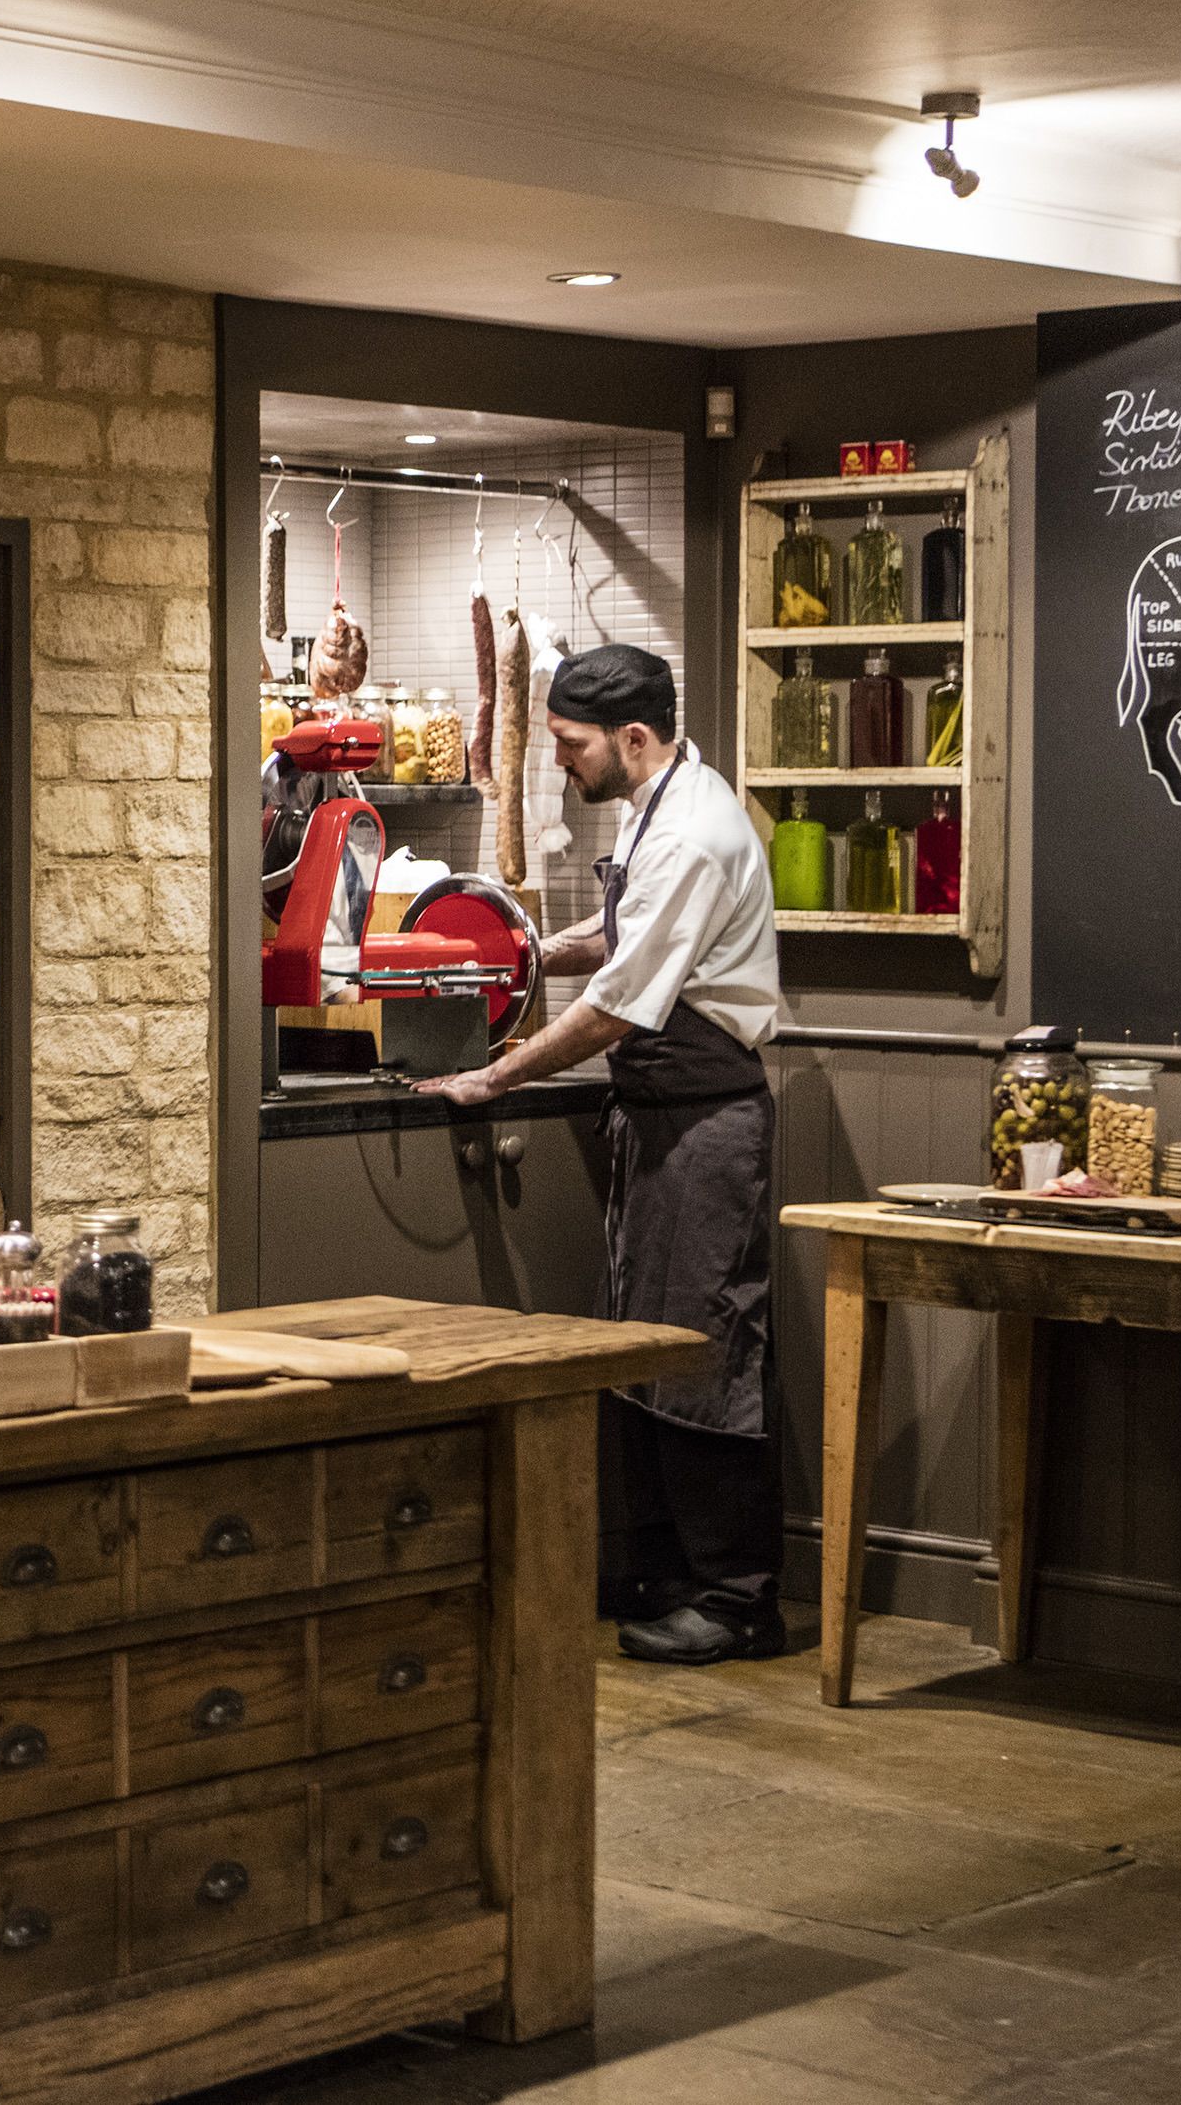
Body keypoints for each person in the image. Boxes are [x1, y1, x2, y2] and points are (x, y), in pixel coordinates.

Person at [418, 644, 787, 1663]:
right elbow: (624, 938)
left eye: (571, 746)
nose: (561, 767)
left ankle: (741, 1597)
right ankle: (671, 1570)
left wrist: (496, 1076)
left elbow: (620, 1003)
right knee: (644, 1347)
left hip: (707, 1120)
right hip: (656, 1115)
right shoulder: (653, 806)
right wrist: (531, 943)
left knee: (707, 1347)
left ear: (632, 738)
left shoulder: (698, 835)